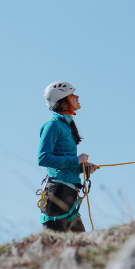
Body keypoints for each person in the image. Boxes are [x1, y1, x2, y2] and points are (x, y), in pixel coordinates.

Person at [38, 81, 98, 232]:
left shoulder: (66, 126)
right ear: (63, 104)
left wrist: (81, 168)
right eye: (72, 95)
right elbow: (43, 158)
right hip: (57, 192)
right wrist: (76, 160)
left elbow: (63, 163)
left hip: (69, 194)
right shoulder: (53, 126)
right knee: (53, 248)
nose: (77, 97)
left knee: (82, 247)